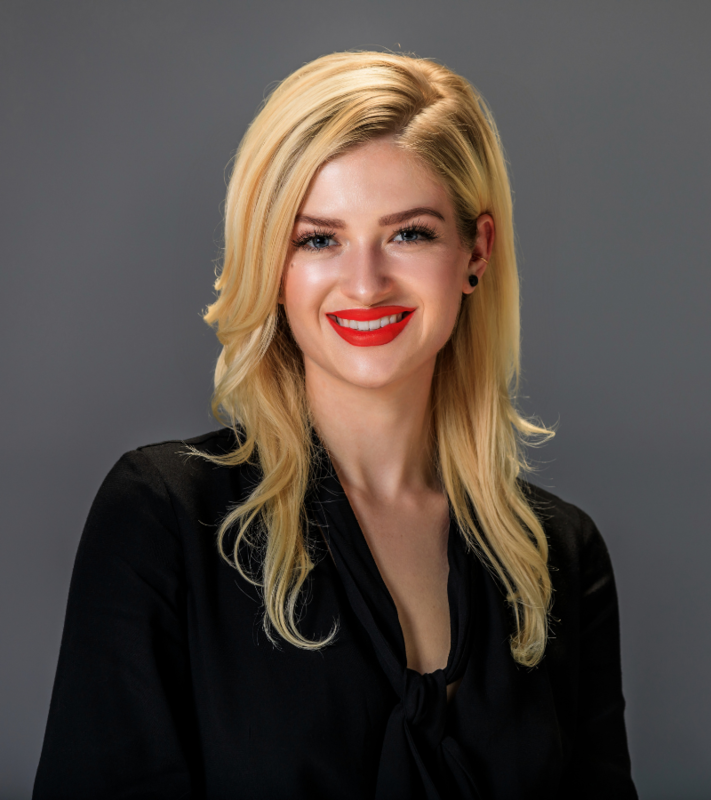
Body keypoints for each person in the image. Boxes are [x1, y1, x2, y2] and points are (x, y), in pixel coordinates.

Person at [33, 51, 637, 799]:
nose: (364, 283)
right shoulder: (164, 517)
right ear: (271, 263)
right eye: (318, 239)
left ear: (475, 251)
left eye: (409, 234)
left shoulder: (557, 555)